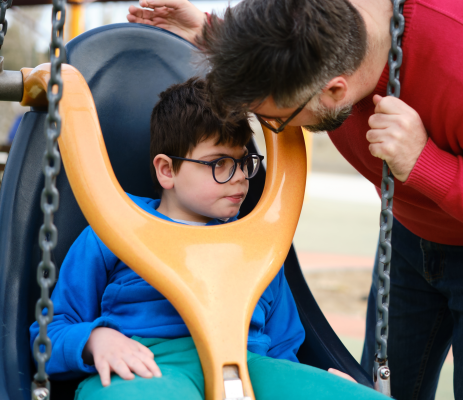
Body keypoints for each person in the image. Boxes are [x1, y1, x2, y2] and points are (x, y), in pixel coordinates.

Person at [128, 1, 463, 399]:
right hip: (413, 229)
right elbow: (291, 26)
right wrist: (218, 39)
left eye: (275, 120)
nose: (273, 129)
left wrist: (427, 165)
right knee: (379, 388)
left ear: (337, 88)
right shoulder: (332, 26)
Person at [29, 78, 390, 400]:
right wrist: (95, 341)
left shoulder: (258, 242)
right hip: (151, 362)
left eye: (243, 162)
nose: (238, 178)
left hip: (250, 365)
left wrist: (310, 381)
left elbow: (282, 348)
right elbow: (50, 332)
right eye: (219, 163)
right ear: (167, 170)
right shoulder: (116, 228)